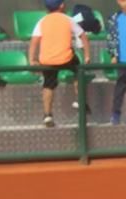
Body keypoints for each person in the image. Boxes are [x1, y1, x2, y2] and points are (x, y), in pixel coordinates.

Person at [28, 0, 91, 128]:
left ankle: (47, 115)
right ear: (61, 5)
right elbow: (83, 36)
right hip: (65, 58)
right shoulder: (68, 19)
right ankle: (80, 100)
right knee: (78, 71)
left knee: (48, 85)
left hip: (47, 60)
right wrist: (87, 55)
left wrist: (32, 59)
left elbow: (34, 42)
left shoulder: (42, 21)